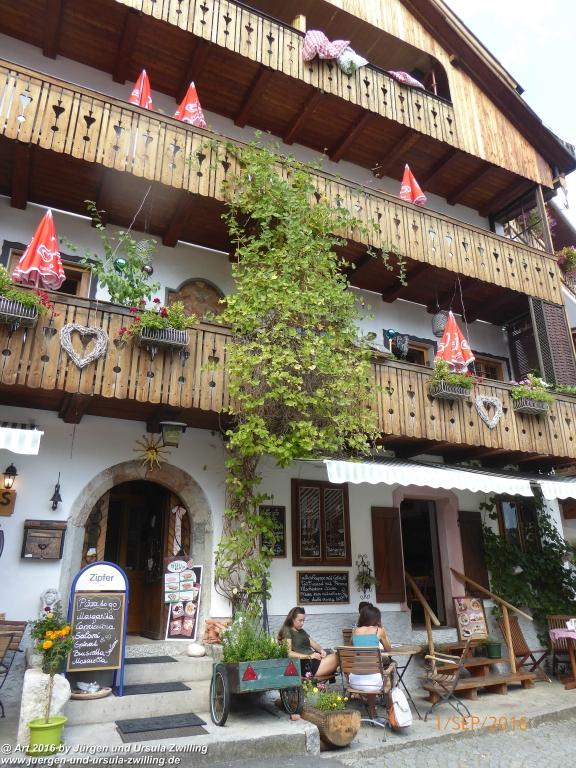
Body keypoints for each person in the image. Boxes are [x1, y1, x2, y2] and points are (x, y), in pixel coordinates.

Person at [349, 605, 394, 724]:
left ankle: (373, 714)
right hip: (373, 683)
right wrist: (382, 629)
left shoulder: (355, 631)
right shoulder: (379, 631)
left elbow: (351, 647)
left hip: (354, 682)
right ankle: (391, 715)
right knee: (387, 676)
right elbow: (388, 649)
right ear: (377, 619)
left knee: (371, 675)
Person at [278, 606, 338, 678]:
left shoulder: (301, 631)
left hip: (314, 660)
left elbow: (314, 644)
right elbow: (289, 653)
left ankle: (337, 670)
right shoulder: (287, 630)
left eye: (303, 620)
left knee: (334, 652)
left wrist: (321, 651)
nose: (302, 623)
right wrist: (309, 656)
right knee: (339, 656)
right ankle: (338, 671)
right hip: (307, 665)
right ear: (292, 619)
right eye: (300, 620)